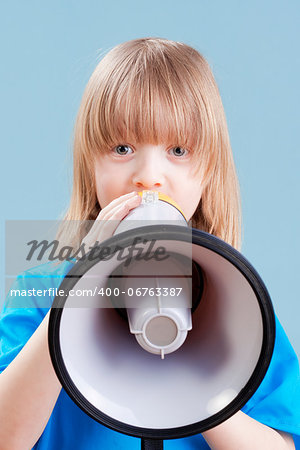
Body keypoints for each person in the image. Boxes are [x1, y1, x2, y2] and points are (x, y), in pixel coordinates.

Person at [0, 38, 299, 449]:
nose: (149, 177)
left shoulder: (238, 301)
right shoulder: (40, 292)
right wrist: (73, 296)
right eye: (122, 148)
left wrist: (200, 388)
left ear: (208, 171)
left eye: (178, 150)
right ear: (91, 166)